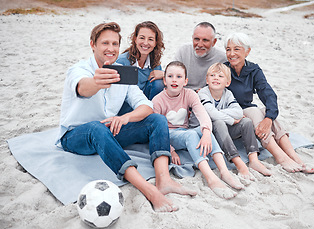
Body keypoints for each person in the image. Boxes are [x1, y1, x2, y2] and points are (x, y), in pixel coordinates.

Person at [56, 22, 196, 213]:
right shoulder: (79, 70)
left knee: (157, 119)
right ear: (93, 45)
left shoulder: (122, 72)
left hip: (109, 131)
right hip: (76, 136)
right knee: (97, 127)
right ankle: (148, 190)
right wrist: (97, 82)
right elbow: (83, 87)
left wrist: (126, 118)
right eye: (105, 43)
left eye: (115, 44)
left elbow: (146, 105)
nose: (111, 49)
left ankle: (164, 180)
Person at [224, 32, 314, 174]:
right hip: (232, 116)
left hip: (249, 114)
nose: (231, 53)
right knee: (255, 111)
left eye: (237, 49)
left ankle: (294, 157)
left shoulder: (253, 69)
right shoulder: (223, 69)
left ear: (247, 51)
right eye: (228, 49)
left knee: (266, 112)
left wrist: (269, 118)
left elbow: (268, 94)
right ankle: (281, 157)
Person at [152, 61, 244, 199]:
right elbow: (156, 131)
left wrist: (207, 133)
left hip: (185, 131)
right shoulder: (158, 100)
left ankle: (224, 171)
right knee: (191, 134)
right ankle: (211, 179)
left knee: (202, 130)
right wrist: (171, 150)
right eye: (170, 76)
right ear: (165, 80)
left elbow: (203, 115)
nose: (174, 80)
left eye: (179, 77)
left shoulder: (189, 94)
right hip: (169, 135)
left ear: (185, 81)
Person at [198, 63, 272, 179]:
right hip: (210, 132)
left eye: (220, 76)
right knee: (219, 122)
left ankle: (254, 159)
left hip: (226, 129)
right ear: (207, 80)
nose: (216, 78)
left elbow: (238, 112)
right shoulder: (203, 93)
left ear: (227, 83)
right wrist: (231, 120)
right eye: (212, 75)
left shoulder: (228, 94)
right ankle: (238, 162)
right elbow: (210, 114)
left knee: (246, 121)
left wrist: (218, 113)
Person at [116, 21, 165, 100]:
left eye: (150, 39)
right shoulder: (122, 62)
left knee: (159, 83)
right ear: (135, 39)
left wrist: (165, 74)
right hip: (125, 107)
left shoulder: (155, 63)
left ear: (155, 42)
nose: (145, 43)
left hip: (146, 106)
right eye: (142, 38)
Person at [174, 22, 227, 92]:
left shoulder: (222, 58)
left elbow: (224, 85)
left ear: (214, 42)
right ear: (192, 38)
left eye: (205, 40)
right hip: (183, 92)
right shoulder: (183, 51)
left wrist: (207, 91)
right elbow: (173, 76)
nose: (200, 44)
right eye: (196, 39)